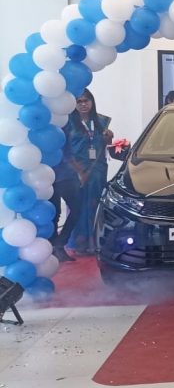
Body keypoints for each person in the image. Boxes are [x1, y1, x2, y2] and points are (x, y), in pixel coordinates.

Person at [62, 89, 113, 255]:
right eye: (79, 101)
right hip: (76, 171)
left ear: (92, 101)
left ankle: (96, 243)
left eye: (86, 100)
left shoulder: (101, 121)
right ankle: (80, 244)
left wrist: (108, 138)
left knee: (96, 205)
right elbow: (65, 150)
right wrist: (78, 171)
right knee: (79, 207)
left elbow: (103, 146)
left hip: (97, 171)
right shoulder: (67, 123)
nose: (83, 104)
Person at [48, 134, 82, 263]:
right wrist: (81, 171)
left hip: (58, 176)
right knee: (57, 213)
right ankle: (57, 246)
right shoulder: (63, 128)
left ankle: (57, 245)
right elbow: (68, 155)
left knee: (64, 212)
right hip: (56, 176)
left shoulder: (63, 125)